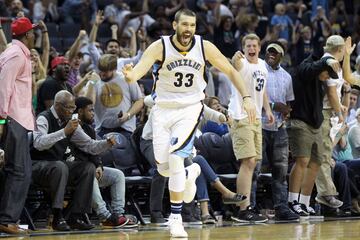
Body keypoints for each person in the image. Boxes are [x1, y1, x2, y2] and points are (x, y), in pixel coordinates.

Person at [122, 9, 256, 238]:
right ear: (175, 25)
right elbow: (137, 73)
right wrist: (129, 75)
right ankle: (190, 172)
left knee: (175, 157)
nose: (188, 30)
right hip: (162, 111)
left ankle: (175, 219)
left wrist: (246, 98)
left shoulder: (204, 47)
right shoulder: (160, 46)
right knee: (163, 168)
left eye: (192, 26)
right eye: (184, 25)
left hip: (190, 109)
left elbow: (231, 71)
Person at [31, 91, 115, 231]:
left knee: (88, 168)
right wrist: (64, 131)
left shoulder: (70, 122)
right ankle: (57, 216)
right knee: (60, 166)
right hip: (38, 166)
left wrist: (107, 143)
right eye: (68, 108)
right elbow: (39, 143)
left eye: (73, 107)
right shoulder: (43, 118)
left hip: (57, 167)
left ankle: (76, 215)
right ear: (57, 106)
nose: (72, 111)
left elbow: (89, 145)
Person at [287, 36, 341, 218]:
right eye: (326, 73)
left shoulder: (318, 81)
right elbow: (313, 67)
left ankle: (304, 202)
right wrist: (327, 60)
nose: (327, 78)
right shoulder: (306, 68)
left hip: (316, 124)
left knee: (316, 163)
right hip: (300, 122)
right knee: (302, 161)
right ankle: (292, 200)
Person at [229, 33, 274, 223]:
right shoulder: (241, 62)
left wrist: (268, 110)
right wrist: (234, 59)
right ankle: (242, 209)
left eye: (254, 45)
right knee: (247, 161)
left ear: (259, 47)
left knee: (253, 163)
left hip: (256, 117)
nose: (251, 48)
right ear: (243, 47)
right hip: (240, 116)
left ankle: (247, 206)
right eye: (248, 45)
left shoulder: (262, 65)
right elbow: (234, 65)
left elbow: (261, 89)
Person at [74, 96, 137, 228]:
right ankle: (105, 216)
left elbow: (94, 152)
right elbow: (90, 147)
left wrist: (99, 165)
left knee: (117, 175)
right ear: (80, 111)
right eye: (90, 110)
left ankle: (118, 214)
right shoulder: (72, 128)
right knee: (89, 174)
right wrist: (94, 165)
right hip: (77, 173)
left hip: (90, 170)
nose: (93, 113)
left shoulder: (89, 129)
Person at [0, 17, 36, 235]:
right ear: (27, 35)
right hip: (13, 119)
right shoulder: (15, 55)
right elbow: (3, 88)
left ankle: (9, 216)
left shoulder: (17, 52)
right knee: (19, 171)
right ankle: (7, 219)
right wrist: (2, 120)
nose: (34, 36)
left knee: (22, 170)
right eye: (32, 32)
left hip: (19, 119)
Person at [261, 42, 299, 221]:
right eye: (269, 51)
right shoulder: (259, 70)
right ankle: (249, 206)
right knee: (253, 169)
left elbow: (288, 103)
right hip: (259, 125)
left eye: (275, 52)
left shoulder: (287, 77)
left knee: (280, 172)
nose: (271, 54)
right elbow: (254, 98)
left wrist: (286, 112)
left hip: (279, 128)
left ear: (281, 56)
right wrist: (276, 106)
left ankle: (282, 208)